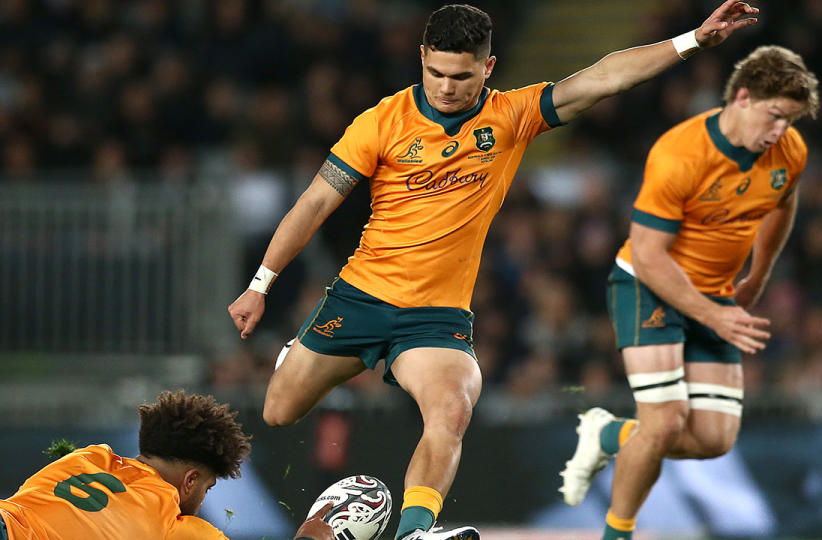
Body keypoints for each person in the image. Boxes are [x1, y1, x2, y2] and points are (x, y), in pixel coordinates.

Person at [227, 3, 758, 540]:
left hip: (433, 319)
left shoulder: (511, 116)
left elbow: (604, 77)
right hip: (359, 297)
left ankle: (415, 531)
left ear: (488, 66)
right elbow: (316, 203)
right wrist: (260, 285)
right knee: (278, 411)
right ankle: (297, 353)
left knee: (451, 410)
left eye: (461, 76)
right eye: (435, 73)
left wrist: (692, 40)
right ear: (421, 59)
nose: (447, 87)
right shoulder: (381, 122)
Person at [558, 45, 820, 540]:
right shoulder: (680, 153)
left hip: (716, 293)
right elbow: (649, 253)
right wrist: (715, 316)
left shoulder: (789, 153)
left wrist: (758, 276)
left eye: (790, 119)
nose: (781, 130)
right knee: (663, 423)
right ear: (742, 98)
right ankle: (617, 535)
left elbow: (782, 205)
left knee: (714, 440)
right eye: (775, 115)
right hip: (648, 285)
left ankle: (608, 433)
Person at [0, 390, 335, 540]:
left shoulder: (87, 458)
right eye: (207, 487)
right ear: (190, 480)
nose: (202, 500)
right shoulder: (174, 529)